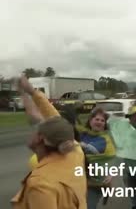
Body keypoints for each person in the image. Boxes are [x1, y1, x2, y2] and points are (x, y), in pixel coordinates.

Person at [11, 76, 87, 209]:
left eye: (36, 129)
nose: (33, 129)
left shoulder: (41, 184)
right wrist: (29, 92)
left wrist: (30, 92)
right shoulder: (74, 150)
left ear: (40, 138)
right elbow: (46, 117)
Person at [78, 108, 116, 209]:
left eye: (102, 120)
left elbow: (112, 158)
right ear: (90, 121)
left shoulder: (106, 138)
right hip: (78, 179)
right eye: (97, 119)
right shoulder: (82, 134)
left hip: (96, 183)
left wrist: (111, 174)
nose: (99, 122)